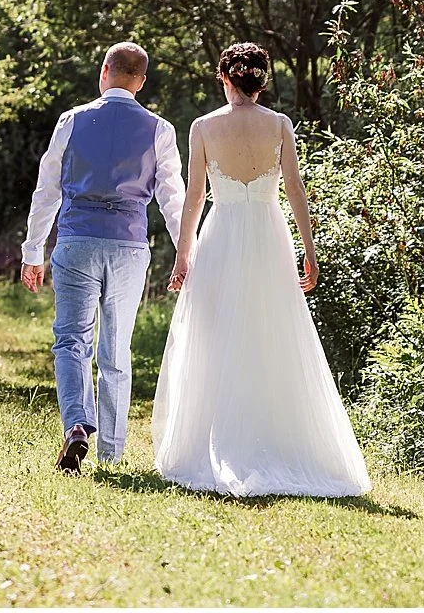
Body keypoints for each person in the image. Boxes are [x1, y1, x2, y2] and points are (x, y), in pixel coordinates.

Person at [151, 41, 371, 497]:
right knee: (273, 332)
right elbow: (294, 189)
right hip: (271, 237)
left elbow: (194, 199)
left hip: (223, 234)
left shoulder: (204, 126)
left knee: (217, 332)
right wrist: (310, 250)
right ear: (261, 80)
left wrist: (183, 255)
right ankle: (275, 439)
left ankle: (216, 440)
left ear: (224, 77)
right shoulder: (280, 125)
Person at [21, 41, 186, 473]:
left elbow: (47, 190)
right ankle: (110, 453)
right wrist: (187, 254)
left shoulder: (72, 121)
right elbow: (173, 199)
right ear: (141, 82)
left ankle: (76, 425)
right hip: (129, 247)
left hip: (77, 242)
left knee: (72, 341)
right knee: (116, 350)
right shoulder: (160, 129)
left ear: (105, 71)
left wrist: (32, 250)